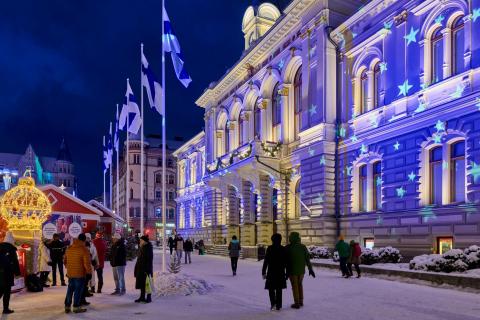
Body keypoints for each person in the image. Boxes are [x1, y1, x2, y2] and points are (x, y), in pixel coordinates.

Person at [64, 233, 92, 314]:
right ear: (84, 240)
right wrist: (89, 273)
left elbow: (65, 260)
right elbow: (86, 263)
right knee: (78, 291)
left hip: (70, 273)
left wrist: (69, 268)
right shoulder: (84, 249)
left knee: (70, 290)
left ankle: (67, 306)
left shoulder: (69, 248)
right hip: (80, 274)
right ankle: (76, 307)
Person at [285, 232, 315, 309]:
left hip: (292, 270)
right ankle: (301, 301)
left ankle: (297, 303)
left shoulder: (288, 247)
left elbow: (285, 261)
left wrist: (286, 272)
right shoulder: (303, 247)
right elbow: (307, 259)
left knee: (295, 286)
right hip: (301, 271)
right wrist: (310, 269)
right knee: (300, 284)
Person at [262, 233, 287, 311]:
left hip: (271, 272)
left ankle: (273, 304)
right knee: (279, 289)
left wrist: (263, 272)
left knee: (271, 289)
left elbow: (266, 261)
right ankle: (278, 305)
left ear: (272, 240)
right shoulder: (283, 249)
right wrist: (287, 273)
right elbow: (286, 262)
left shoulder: (270, 248)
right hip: (280, 272)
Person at [0, 232, 20, 314]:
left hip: (0, 273)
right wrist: (17, 273)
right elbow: (15, 262)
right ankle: (5, 309)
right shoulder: (12, 249)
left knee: (0, 290)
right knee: (7, 292)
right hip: (8, 273)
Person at [134, 235, 153, 303]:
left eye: (141, 240)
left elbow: (149, 260)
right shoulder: (142, 247)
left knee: (147, 284)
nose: (140, 241)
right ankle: (142, 297)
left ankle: (149, 297)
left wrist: (147, 270)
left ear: (144, 241)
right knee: (142, 284)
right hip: (140, 269)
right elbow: (139, 259)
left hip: (145, 270)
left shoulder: (148, 248)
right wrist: (136, 269)